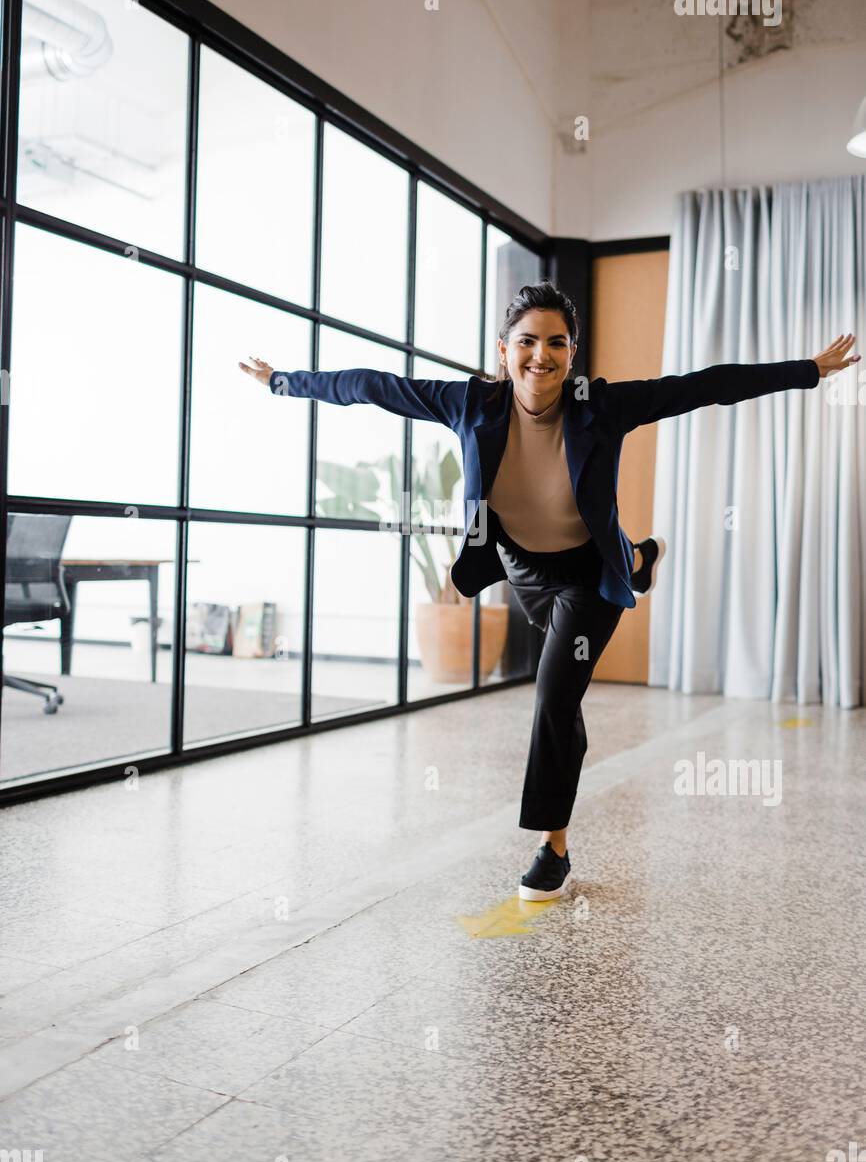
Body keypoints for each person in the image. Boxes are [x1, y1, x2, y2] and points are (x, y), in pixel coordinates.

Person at [239, 284, 858, 901]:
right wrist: (280, 382)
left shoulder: (600, 406)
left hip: (588, 576)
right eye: (527, 342)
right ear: (503, 351)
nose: (542, 356)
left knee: (555, 695)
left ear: (573, 352)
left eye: (556, 343)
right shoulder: (469, 403)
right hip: (524, 573)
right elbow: (369, 385)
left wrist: (808, 370)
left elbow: (703, 385)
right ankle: (641, 559)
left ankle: (552, 848)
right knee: (567, 682)